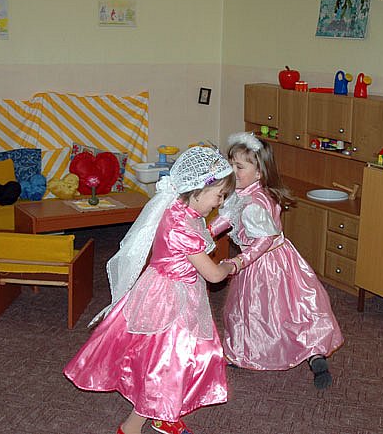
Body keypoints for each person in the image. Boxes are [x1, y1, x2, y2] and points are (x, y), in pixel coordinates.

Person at [64, 146, 238, 434]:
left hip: (165, 288)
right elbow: (213, 274)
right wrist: (234, 264)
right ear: (198, 189)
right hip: (171, 299)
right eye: (219, 195)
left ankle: (165, 414)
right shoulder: (183, 226)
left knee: (174, 356)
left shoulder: (179, 208)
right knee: (167, 361)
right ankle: (132, 426)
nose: (219, 203)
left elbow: (199, 239)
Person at [208, 132, 344, 389]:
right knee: (292, 308)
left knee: (259, 310)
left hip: (262, 263)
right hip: (284, 258)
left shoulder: (253, 204)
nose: (233, 171)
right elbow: (226, 218)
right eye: (231, 164)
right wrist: (205, 233)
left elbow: (263, 241)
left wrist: (238, 262)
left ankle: (252, 352)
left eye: (239, 167)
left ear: (259, 173)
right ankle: (313, 353)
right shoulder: (249, 194)